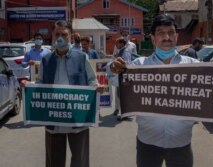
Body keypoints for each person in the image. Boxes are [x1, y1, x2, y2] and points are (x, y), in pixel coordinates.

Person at [106, 13, 213, 167]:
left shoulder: (194, 66)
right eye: (161, 33)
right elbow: (113, 79)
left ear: (177, 36)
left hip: (181, 144)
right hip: (147, 143)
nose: (167, 37)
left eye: (171, 32)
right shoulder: (138, 65)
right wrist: (113, 67)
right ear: (153, 38)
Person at [22, 20, 104, 167]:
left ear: (70, 36)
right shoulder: (46, 60)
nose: (60, 37)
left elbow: (91, 80)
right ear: (53, 36)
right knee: (54, 160)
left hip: (78, 118)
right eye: (57, 34)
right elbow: (41, 83)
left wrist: (96, 87)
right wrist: (29, 86)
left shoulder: (81, 57)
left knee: (80, 159)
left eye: (64, 34)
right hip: (53, 118)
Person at [112, 30, 137, 116]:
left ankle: (125, 111)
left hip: (125, 71)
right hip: (120, 72)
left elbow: (134, 57)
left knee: (125, 92)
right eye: (123, 34)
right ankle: (117, 109)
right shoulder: (118, 45)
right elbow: (114, 55)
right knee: (118, 92)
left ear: (129, 35)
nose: (125, 36)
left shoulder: (132, 45)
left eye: (126, 34)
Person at [113, 37, 132, 121]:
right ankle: (124, 113)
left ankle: (123, 114)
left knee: (123, 96)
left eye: (117, 43)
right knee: (121, 95)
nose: (116, 45)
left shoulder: (126, 52)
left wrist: (118, 66)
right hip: (121, 75)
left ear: (122, 43)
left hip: (124, 76)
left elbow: (127, 64)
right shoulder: (120, 51)